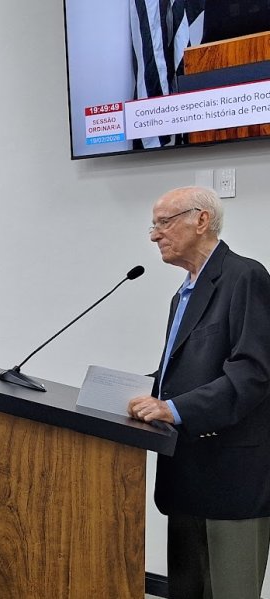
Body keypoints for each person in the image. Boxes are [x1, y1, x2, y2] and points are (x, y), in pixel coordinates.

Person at [127, 186, 270, 599]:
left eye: (164, 222)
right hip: (187, 470)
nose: (154, 234)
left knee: (230, 591)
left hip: (232, 476)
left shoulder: (245, 277)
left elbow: (253, 374)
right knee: (188, 590)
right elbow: (181, 370)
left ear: (201, 220)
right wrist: (128, 391)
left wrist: (173, 409)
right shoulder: (186, 290)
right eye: (153, 225)